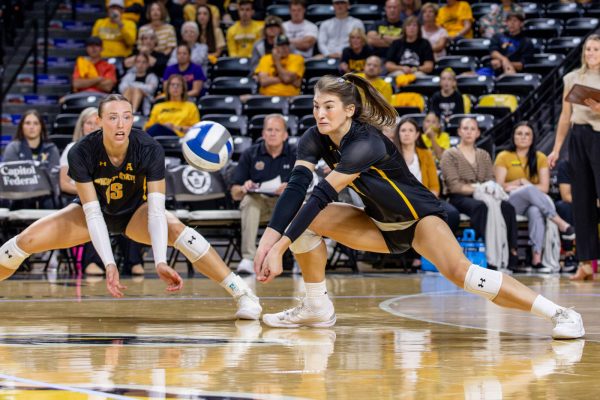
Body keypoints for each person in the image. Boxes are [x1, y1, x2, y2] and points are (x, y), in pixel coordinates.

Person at [251, 74, 583, 340]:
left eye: (328, 106)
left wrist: (280, 247)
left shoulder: (365, 142)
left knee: (464, 275)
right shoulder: (314, 136)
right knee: (302, 219)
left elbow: (322, 193)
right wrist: (269, 240)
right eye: (315, 106)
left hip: (419, 218)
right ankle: (316, 306)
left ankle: (561, 314)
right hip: (379, 224)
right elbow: (297, 187)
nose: (320, 114)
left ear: (349, 110)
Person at [0, 94, 262, 319]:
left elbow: (157, 211)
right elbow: (92, 213)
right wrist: (110, 264)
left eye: (126, 116)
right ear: (99, 121)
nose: (120, 123)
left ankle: (243, 294)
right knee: (26, 240)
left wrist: (159, 261)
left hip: (135, 212)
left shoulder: (149, 148)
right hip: (92, 212)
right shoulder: (81, 151)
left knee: (179, 231)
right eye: (112, 117)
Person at [59, 108, 146, 276]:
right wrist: (87, 191)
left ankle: (134, 261)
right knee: (94, 211)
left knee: (129, 210)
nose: (92, 127)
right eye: (88, 123)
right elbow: (63, 184)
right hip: (81, 199)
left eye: (95, 123)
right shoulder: (72, 148)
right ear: (81, 126)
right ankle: (93, 261)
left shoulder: (112, 148)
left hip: (111, 196)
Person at [548, 34, 600, 281]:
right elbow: (565, 117)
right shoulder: (572, 78)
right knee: (581, 201)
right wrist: (557, 149)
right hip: (578, 137)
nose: (591, 53)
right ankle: (586, 264)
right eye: (588, 49)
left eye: (596, 49)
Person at [495, 122, 575, 271]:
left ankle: (536, 259)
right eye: (519, 133)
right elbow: (499, 187)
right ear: (513, 137)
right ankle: (561, 224)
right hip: (510, 202)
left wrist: (522, 185)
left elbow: (544, 188)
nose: (523, 137)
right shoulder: (503, 156)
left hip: (533, 204)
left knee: (535, 211)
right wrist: (521, 183)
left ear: (533, 138)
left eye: (527, 134)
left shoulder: (540, 157)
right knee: (529, 189)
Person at [440, 118, 518, 269]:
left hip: (485, 195)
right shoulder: (449, 154)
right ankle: (485, 252)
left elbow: (491, 180)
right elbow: (454, 186)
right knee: (480, 207)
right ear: (459, 131)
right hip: (460, 197)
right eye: (465, 128)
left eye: (472, 129)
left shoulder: (484, 155)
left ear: (478, 133)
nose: (469, 132)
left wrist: (484, 189)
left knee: (508, 208)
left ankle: (510, 252)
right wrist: (479, 188)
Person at [230, 114, 296, 274]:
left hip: (284, 206)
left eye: (277, 130)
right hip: (260, 205)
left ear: (285, 135)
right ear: (263, 134)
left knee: (300, 203)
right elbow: (234, 193)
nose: (273, 133)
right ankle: (248, 258)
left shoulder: (295, 154)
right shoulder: (250, 154)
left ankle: (300, 259)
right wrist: (244, 188)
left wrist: (290, 187)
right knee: (248, 201)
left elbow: (308, 184)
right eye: (269, 130)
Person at [2, 110, 60, 210]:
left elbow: (53, 177)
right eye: (28, 123)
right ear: (22, 126)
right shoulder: (12, 148)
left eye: (36, 123)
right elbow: (10, 178)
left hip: (46, 197)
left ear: (41, 126)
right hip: (19, 196)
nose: (32, 127)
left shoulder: (52, 149)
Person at [489, 12, 534, 76]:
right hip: (493, 70)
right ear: (506, 23)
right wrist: (504, 60)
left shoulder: (527, 42)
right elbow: (493, 52)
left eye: (515, 21)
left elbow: (521, 65)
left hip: (514, 72)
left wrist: (503, 63)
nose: (512, 23)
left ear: (521, 24)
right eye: (509, 21)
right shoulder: (498, 36)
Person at [555, 160, 578, 273]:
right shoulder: (566, 165)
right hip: (581, 204)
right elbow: (566, 196)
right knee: (564, 207)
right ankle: (570, 255)